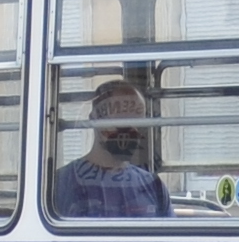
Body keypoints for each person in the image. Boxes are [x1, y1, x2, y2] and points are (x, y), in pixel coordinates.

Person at [51, 77, 173, 218]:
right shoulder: (61, 184)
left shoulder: (153, 186)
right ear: (94, 121)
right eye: (119, 121)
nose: (129, 131)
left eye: (136, 122)